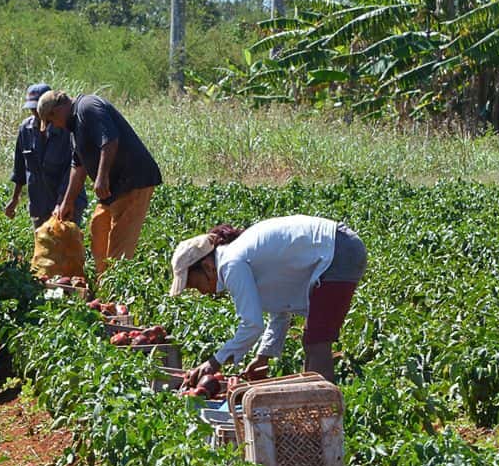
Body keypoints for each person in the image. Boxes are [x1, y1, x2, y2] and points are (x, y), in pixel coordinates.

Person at [171, 217, 367, 384]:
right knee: (314, 341)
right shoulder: (237, 257)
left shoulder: (231, 264)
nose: (202, 292)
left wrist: (214, 362)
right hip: (341, 245)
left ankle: (324, 415)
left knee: (316, 342)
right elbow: (281, 311)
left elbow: (252, 325)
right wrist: (262, 357)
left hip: (338, 251)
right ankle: (317, 410)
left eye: (196, 285)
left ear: (206, 266)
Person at [40, 90, 162, 274]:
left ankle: (115, 291)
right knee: (98, 228)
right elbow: (78, 166)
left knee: (118, 245)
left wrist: (102, 176)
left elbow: (110, 140)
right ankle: (102, 283)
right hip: (113, 189)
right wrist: (67, 202)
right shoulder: (75, 127)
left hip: (132, 181)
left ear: (57, 111)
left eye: (50, 121)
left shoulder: (88, 107)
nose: (54, 126)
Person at [5, 83, 86, 228]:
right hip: (39, 203)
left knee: (67, 246)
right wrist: (14, 199)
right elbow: (20, 168)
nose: (35, 112)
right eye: (31, 109)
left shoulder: (67, 129)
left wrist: (62, 202)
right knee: (44, 246)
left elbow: (73, 168)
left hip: (68, 201)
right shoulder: (25, 129)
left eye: (37, 108)